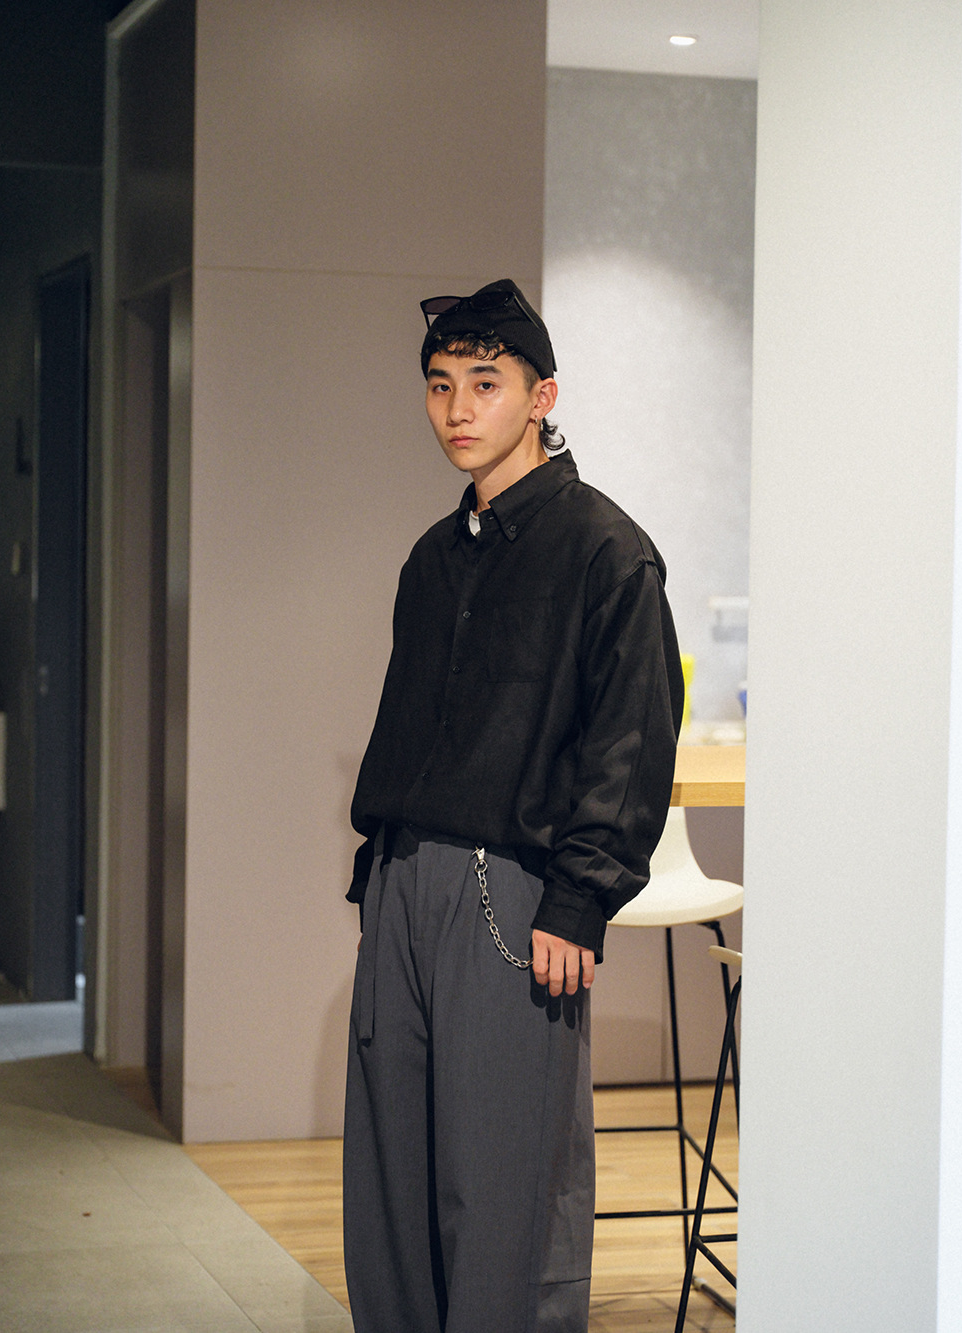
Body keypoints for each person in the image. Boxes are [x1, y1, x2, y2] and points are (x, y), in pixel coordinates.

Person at [342, 278, 684, 1333]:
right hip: (401, 883)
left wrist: (578, 899)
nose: (457, 408)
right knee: (390, 1193)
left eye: (484, 383)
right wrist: (377, 880)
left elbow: (630, 741)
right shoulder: (432, 559)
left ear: (542, 397)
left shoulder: (605, 552)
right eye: (440, 384)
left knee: (500, 1195)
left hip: (511, 897)